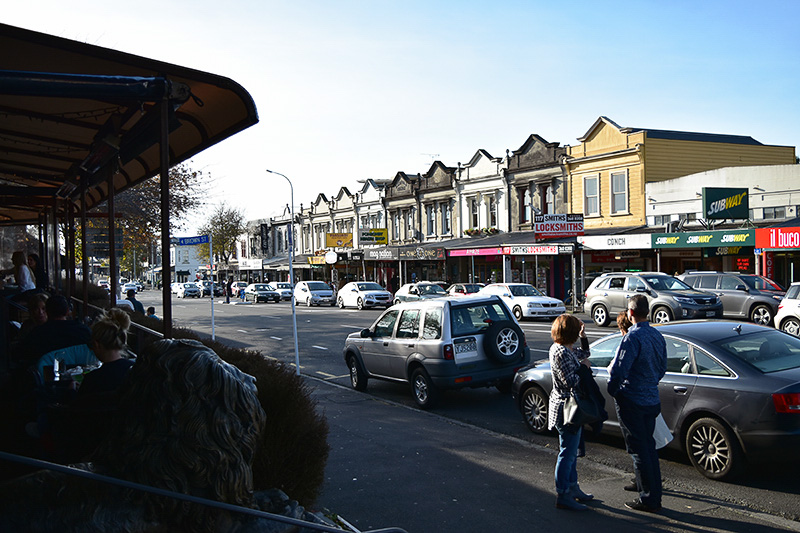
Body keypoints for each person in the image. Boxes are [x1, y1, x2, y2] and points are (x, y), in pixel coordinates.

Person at [607, 294, 667, 513]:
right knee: (649, 449)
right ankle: (653, 494)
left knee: (639, 451)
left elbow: (620, 370)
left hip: (632, 400)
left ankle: (648, 498)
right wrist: (649, 382)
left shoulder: (632, 338)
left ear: (630, 313)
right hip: (651, 398)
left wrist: (614, 391)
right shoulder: (657, 335)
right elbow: (662, 368)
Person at [548, 313, 593, 511]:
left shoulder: (565, 349)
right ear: (570, 333)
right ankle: (563, 492)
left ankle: (573, 488)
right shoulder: (561, 353)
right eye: (577, 332)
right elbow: (569, 381)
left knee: (571, 451)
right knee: (567, 452)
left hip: (568, 406)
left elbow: (585, 353)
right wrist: (584, 370)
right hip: (566, 408)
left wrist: (584, 337)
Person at [20, 294, 91, 365]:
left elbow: (23, 355)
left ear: (47, 312)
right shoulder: (84, 331)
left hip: (45, 374)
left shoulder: (36, 334)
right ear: (67, 311)